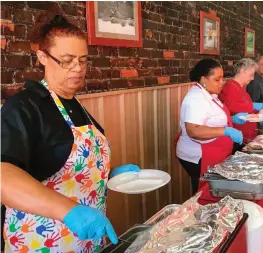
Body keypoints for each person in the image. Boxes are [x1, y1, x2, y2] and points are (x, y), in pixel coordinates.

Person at [1, 15, 141, 253]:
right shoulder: (24, 106)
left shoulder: (74, 105)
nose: (78, 68)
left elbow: (70, 168)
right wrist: (68, 211)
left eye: (83, 60)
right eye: (67, 61)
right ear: (43, 57)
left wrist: (110, 175)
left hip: (86, 240)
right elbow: (3, 176)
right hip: (41, 240)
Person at [175, 59, 247, 194]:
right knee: (204, 191)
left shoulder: (208, 94)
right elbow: (193, 130)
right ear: (204, 79)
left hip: (213, 151)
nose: (222, 83)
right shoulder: (196, 98)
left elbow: (210, 119)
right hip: (199, 156)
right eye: (217, 79)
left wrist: (232, 119)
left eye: (223, 78)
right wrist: (226, 131)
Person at [219, 58, 263, 150]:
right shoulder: (230, 86)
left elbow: (246, 107)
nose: (252, 78)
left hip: (247, 137)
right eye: (251, 75)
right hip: (238, 137)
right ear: (243, 71)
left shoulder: (241, 88)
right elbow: (230, 107)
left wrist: (261, 112)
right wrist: (253, 106)